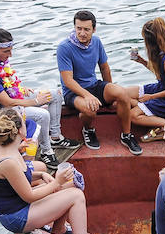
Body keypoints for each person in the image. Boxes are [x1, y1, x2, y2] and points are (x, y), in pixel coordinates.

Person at [0, 109, 110, 234]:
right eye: (24, 122)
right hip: (15, 216)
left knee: (70, 185)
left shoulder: (7, 147)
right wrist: (56, 182)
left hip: (20, 205)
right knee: (76, 196)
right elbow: (29, 196)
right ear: (18, 130)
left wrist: (42, 175)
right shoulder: (7, 161)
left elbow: (16, 178)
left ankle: (60, 231)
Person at [0, 28, 73, 168]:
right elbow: (7, 102)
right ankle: (46, 151)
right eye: (6, 51)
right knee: (43, 114)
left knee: (55, 94)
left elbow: (9, 85)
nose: (10, 55)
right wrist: (35, 102)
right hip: (6, 110)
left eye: (11, 50)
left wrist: (21, 89)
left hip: (15, 97)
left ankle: (55, 137)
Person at [57, 10, 141, 155]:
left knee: (122, 93)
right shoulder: (64, 48)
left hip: (94, 85)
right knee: (90, 109)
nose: (82, 33)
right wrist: (87, 96)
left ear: (94, 30)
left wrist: (111, 93)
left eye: (86, 29)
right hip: (73, 92)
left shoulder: (96, 42)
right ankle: (88, 129)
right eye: (79, 28)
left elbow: (104, 67)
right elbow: (68, 81)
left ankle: (126, 135)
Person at [128, 17, 165, 130]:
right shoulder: (161, 55)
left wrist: (150, 97)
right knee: (124, 94)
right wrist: (142, 61)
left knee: (133, 115)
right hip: (162, 87)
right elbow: (161, 75)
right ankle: (145, 107)